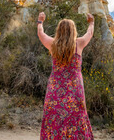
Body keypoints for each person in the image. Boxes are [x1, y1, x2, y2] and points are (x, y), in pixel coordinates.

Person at [37, 12, 95, 140]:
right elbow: (89, 33)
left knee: (54, 119)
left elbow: (41, 34)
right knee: (76, 119)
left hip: (55, 90)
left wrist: (40, 21)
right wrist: (91, 22)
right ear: (73, 31)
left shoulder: (53, 44)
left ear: (59, 30)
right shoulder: (79, 44)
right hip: (75, 90)